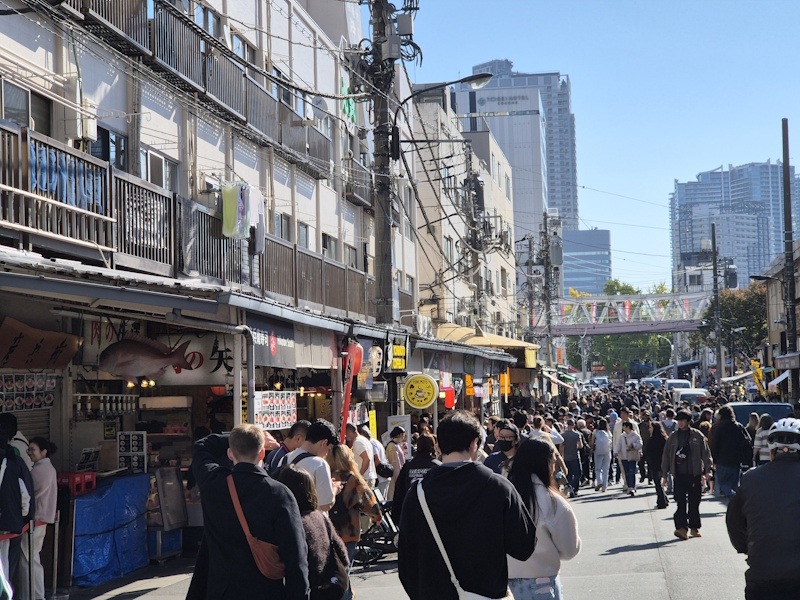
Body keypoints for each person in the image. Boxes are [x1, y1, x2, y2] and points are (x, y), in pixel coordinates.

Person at [398, 410, 535, 599]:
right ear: (474, 444)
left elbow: (406, 561)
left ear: (438, 446)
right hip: (487, 593)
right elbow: (524, 548)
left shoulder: (417, 494)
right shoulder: (499, 488)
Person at [192, 425, 309, 599]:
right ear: (262, 453)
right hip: (265, 591)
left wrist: (234, 439)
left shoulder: (213, 483)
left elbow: (201, 446)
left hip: (222, 590)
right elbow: (296, 556)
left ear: (230, 453)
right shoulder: (279, 493)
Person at [726, 418, 800, 600]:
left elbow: (734, 522)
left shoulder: (750, 479)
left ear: (771, 451)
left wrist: (747, 547)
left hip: (762, 573)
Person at [506, 438, 581, 599]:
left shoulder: (501, 495)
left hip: (504, 585)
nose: (553, 468)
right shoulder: (552, 502)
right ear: (544, 464)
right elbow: (569, 550)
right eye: (552, 463)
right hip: (542, 582)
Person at [277, 464, 350, 600]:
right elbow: (341, 551)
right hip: (330, 583)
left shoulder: (291, 522)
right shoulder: (320, 516)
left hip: (309, 587)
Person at [325, 443, 381, 566]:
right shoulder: (353, 479)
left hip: (328, 530)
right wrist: (377, 516)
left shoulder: (326, 477)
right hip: (349, 530)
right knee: (344, 567)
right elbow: (368, 501)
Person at [661, 410, 713, 540]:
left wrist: (708, 470)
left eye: (682, 420)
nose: (680, 423)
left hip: (694, 475)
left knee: (694, 502)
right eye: (678, 420)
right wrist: (664, 475)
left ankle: (694, 528)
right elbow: (666, 455)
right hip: (679, 475)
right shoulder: (673, 437)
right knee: (680, 502)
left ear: (688, 421)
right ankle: (681, 528)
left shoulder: (697, 435)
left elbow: (706, 454)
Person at [17, 437, 57, 600]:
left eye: (33, 449)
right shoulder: (48, 468)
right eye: (29, 449)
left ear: (43, 452)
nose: (29, 453)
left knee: (28, 559)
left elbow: (28, 493)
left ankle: (32, 595)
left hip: (35, 520)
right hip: (42, 519)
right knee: (32, 557)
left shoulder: (39, 470)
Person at [0, 428, 32, 597]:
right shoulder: (15, 463)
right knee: (6, 561)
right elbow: (25, 494)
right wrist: (23, 515)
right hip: (11, 521)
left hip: (7, 522)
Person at [282, 419, 340, 511]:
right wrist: (335, 488)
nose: (327, 454)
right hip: (309, 518)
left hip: (288, 515)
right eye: (329, 449)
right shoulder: (320, 464)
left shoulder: (285, 458)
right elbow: (326, 505)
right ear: (324, 443)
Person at [391, 433, 441, 522]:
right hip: (432, 514)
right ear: (432, 446)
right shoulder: (437, 466)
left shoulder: (408, 465)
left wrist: (396, 515)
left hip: (410, 512)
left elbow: (399, 491)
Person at [710, 404, 751, 498]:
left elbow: (714, 444)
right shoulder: (738, 426)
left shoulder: (719, 427)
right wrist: (745, 458)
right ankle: (735, 501)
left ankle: (733, 497)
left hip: (722, 460)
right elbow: (747, 442)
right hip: (736, 460)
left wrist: (713, 459)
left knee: (723, 485)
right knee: (734, 485)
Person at [614, 421, 643, 497]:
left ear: (628, 427)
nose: (623, 428)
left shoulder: (636, 436)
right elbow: (618, 444)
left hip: (632, 456)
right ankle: (629, 486)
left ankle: (632, 486)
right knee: (626, 472)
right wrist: (616, 452)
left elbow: (640, 444)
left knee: (632, 471)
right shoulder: (622, 436)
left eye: (624, 426)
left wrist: (633, 445)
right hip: (624, 456)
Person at [645, 422, 669, 509]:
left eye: (650, 427)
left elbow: (648, 452)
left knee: (658, 483)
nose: (649, 429)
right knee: (661, 482)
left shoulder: (651, 440)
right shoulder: (664, 439)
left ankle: (661, 501)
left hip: (655, 464)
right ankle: (664, 498)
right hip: (663, 463)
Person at [344, 423, 376, 487]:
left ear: (349, 432)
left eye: (346, 434)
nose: (345, 436)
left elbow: (366, 459)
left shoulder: (358, 442)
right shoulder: (364, 440)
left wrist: (359, 476)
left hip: (364, 478)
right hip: (369, 477)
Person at [560, 419, 584, 498]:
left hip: (566, 457)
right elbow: (580, 445)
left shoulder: (563, 435)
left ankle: (569, 487)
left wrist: (561, 456)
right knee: (578, 473)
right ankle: (574, 488)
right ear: (574, 425)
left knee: (569, 474)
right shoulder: (577, 434)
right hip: (575, 456)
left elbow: (561, 447)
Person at [384, 426, 407, 500]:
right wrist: (398, 477)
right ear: (399, 435)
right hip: (395, 475)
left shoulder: (396, 445)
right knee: (392, 493)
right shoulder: (392, 446)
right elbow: (394, 463)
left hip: (398, 473)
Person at [591, 418, 613, 492]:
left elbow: (592, 442)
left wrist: (592, 449)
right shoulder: (608, 432)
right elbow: (611, 441)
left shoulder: (595, 431)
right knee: (606, 470)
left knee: (598, 468)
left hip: (598, 451)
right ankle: (604, 487)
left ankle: (599, 481)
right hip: (607, 451)